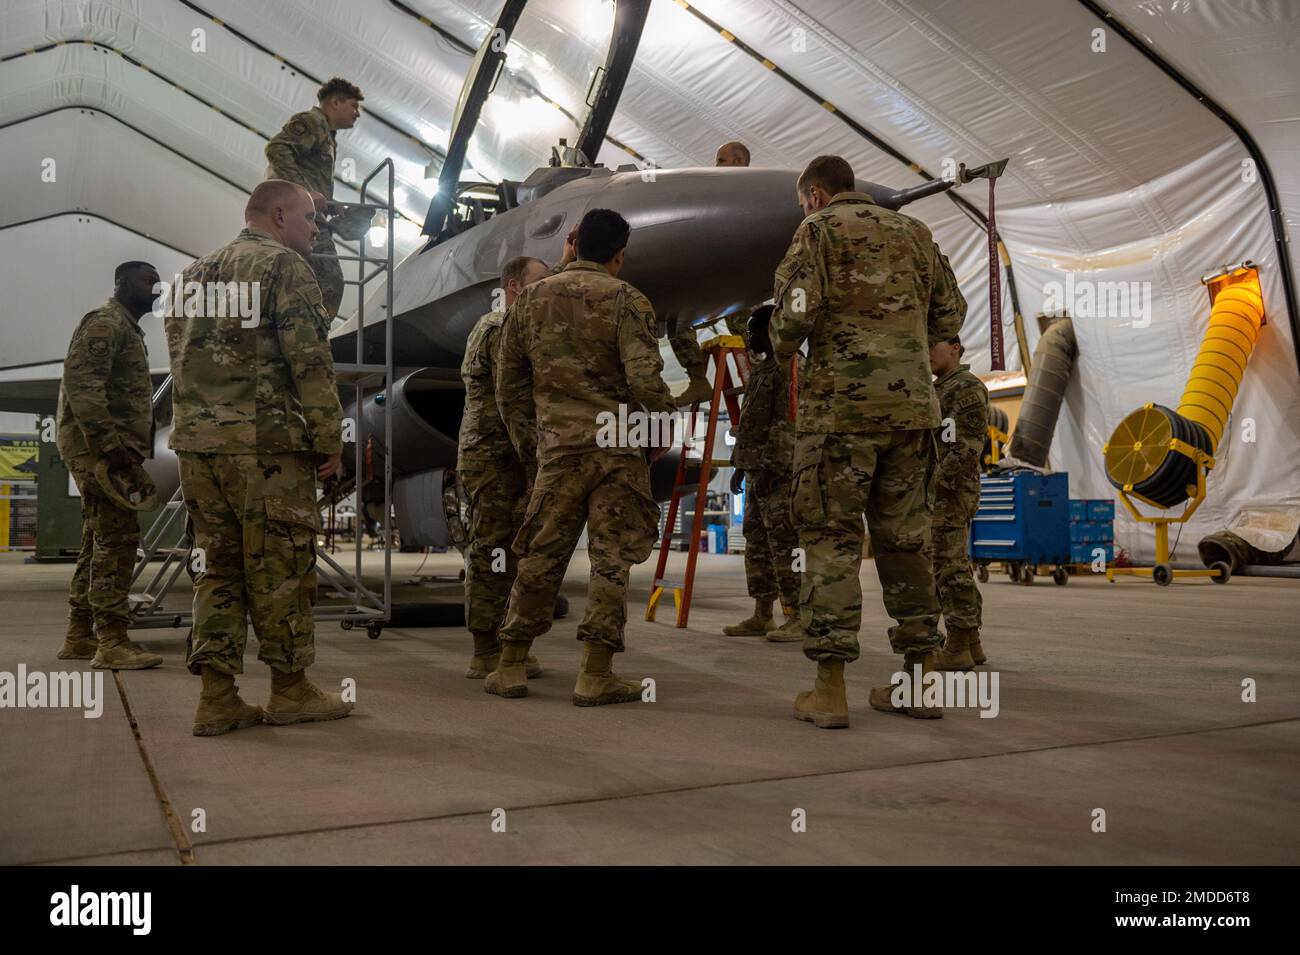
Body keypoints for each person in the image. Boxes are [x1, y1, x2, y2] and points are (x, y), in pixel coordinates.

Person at [770, 155, 966, 729]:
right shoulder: (915, 232)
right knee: (907, 543)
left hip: (839, 416)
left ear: (813, 196)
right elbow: (949, 314)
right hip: (911, 413)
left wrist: (782, 348)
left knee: (831, 541)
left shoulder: (817, 231)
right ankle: (921, 681)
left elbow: (792, 318)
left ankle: (830, 691)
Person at [166, 179, 349, 737]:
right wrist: (328, 437)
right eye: (310, 218)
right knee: (281, 567)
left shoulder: (192, 275)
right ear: (278, 216)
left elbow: (179, 355)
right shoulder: (286, 268)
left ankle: (217, 698)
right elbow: (310, 360)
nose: (316, 229)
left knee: (216, 569)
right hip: (266, 448)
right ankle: (290, 691)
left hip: (199, 449)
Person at [493, 208, 676, 705]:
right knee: (611, 561)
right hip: (617, 451)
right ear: (619, 255)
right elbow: (644, 380)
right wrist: (660, 428)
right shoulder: (627, 300)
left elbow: (508, 383)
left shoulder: (530, 299)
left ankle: (510, 665)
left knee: (541, 555)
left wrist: (532, 441)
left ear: (573, 245)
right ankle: (594, 674)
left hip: (559, 448)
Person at [56, 262, 164, 670]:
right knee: (117, 541)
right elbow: (83, 386)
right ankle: (112, 641)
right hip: (100, 452)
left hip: (108, 449)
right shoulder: (106, 324)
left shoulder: (127, 328)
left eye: (157, 281)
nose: (154, 287)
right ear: (120, 284)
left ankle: (79, 634)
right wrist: (110, 447)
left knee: (97, 538)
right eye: (145, 280)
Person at [457, 255, 552, 680]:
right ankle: (485, 648)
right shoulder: (499, 329)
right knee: (491, 549)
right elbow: (511, 404)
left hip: (502, 455)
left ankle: (501, 640)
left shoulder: (504, 326)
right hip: (497, 458)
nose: (546, 290)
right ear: (515, 287)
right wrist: (538, 461)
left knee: (507, 551)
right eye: (540, 282)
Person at [723, 305, 802, 641]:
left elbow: (788, 421)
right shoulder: (763, 368)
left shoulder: (790, 366)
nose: (749, 337)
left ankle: (799, 615)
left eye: (754, 330)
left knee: (786, 543)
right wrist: (742, 466)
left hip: (779, 472)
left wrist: (773, 465)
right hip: (757, 470)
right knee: (756, 541)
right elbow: (753, 423)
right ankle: (762, 613)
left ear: (772, 330)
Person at [265, 77, 363, 322]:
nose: (357, 114)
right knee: (329, 282)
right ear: (336, 102)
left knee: (305, 281)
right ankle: (312, 337)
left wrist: (331, 203)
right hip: (300, 216)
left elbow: (308, 174)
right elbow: (277, 149)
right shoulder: (312, 122)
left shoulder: (326, 133)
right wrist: (305, 194)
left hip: (305, 214)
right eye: (353, 106)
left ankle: (301, 332)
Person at [670, 142, 753, 407]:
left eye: (721, 160)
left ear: (739, 162)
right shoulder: (715, 193)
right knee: (676, 319)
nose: (715, 166)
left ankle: (761, 383)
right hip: (713, 278)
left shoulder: (754, 193)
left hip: (738, 279)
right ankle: (697, 380)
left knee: (748, 330)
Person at [927, 336, 990, 670]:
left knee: (948, 568)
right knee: (953, 565)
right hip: (943, 492)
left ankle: (957, 647)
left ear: (955, 347)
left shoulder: (965, 388)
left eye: (932, 345)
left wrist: (931, 485)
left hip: (949, 493)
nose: (927, 353)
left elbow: (966, 449)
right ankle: (971, 643)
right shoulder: (941, 387)